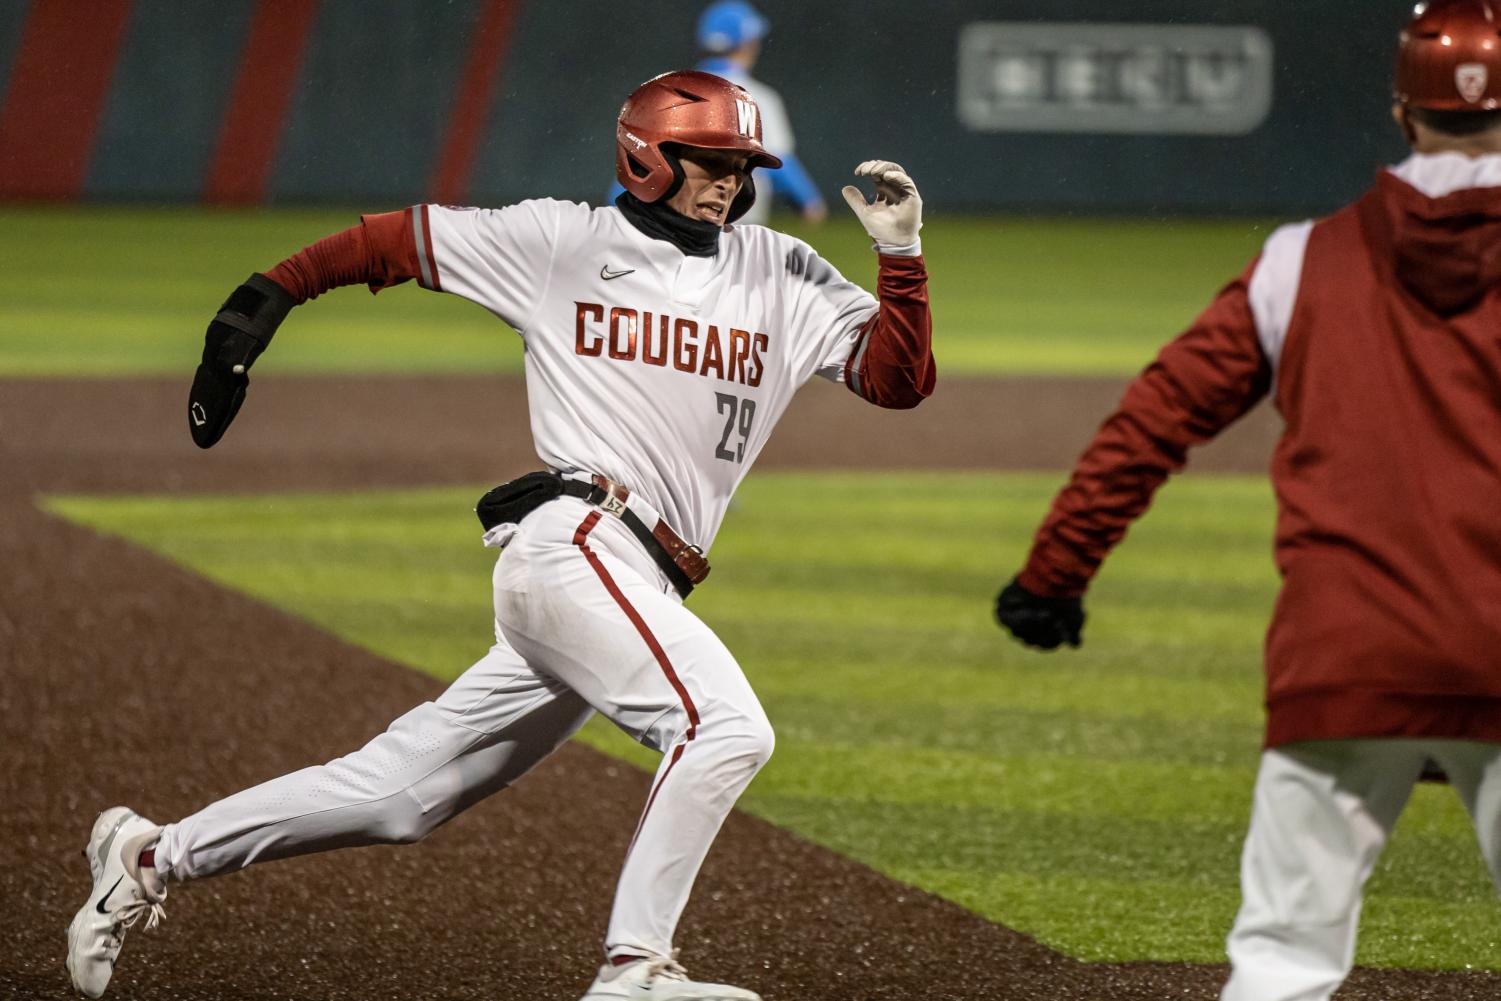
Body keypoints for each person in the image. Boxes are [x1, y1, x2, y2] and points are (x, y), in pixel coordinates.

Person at [67, 69, 932, 1001]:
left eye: (741, 164)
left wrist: (902, 256)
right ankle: (635, 970)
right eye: (709, 160)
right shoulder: (559, 239)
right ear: (648, 156)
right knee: (721, 726)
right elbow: (388, 242)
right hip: (576, 545)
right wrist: (258, 304)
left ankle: (152, 853)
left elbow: (896, 378)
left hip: (625, 582)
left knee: (402, 795)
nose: (728, 179)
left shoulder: (782, 269)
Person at [992, 2, 1501, 999]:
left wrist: (1054, 572)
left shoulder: (1299, 259)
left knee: (1280, 962)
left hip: (1340, 654)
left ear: (1403, 112)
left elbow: (1153, 419)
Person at [609, 1, 826, 225]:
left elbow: (641, 157)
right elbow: (782, 163)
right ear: (748, 43)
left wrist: (616, 205)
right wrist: (809, 201)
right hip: (734, 217)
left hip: (674, 218)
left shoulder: (668, 91)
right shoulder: (757, 97)